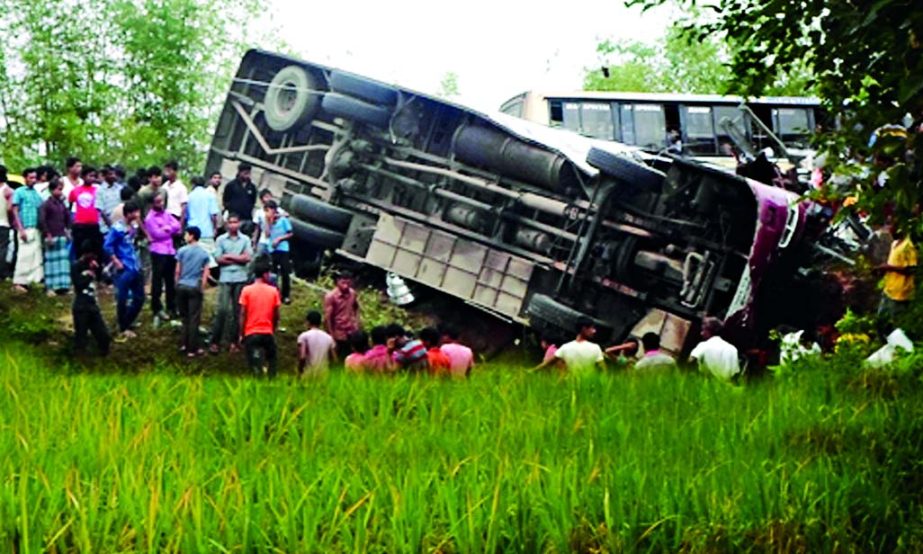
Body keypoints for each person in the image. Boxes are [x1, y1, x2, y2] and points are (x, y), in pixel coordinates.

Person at [209, 213, 253, 354]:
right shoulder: (221, 239)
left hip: (240, 278)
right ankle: (215, 341)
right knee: (222, 310)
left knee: (237, 311)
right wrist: (237, 259)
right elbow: (218, 258)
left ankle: (234, 342)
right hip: (225, 278)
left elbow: (248, 257)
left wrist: (229, 256)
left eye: (235, 222)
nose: (233, 225)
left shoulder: (245, 239)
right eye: (230, 222)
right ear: (227, 224)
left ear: (239, 223)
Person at [104, 201, 145, 341]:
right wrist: (116, 261)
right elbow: (107, 246)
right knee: (122, 297)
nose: (138, 215)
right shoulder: (117, 229)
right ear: (128, 214)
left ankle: (127, 321)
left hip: (135, 264)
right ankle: (123, 327)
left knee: (139, 297)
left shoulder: (133, 227)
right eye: (136, 212)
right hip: (124, 267)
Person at [239, 258, 282, 377]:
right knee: (272, 361)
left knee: (254, 365)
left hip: (251, 332)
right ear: (264, 274)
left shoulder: (246, 290)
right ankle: (271, 382)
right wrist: (273, 328)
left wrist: (241, 333)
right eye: (268, 273)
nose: (270, 276)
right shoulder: (273, 291)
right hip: (267, 331)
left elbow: (243, 314)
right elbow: (276, 314)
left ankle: (256, 384)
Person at [175, 226, 211, 357]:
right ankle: (192, 349)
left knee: (184, 317)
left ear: (191, 236)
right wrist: (202, 287)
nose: (185, 237)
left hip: (182, 285)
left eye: (186, 234)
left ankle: (183, 344)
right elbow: (206, 272)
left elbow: (178, 270)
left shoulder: (181, 251)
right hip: (194, 286)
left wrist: (177, 283)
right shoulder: (203, 254)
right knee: (194, 318)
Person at [144, 193, 181, 322]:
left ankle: (172, 306)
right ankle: (157, 307)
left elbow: (177, 226)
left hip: (170, 251)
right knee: (157, 281)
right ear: (152, 203)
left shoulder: (166, 213)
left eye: (162, 201)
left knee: (170, 281)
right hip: (158, 251)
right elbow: (157, 234)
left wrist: (167, 228)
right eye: (157, 202)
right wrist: (168, 230)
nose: (160, 204)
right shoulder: (149, 218)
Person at [876, 223, 917, 331]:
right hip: (889, 289)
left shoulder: (908, 246)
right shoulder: (894, 243)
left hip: (900, 293)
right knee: (880, 321)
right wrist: (883, 270)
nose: (890, 232)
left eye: (892, 230)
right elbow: (893, 263)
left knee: (897, 326)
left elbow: (912, 269)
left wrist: (890, 268)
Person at [71, 243, 110, 356]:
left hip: (93, 306)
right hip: (81, 307)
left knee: (104, 336)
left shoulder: (95, 266)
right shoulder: (76, 266)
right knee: (81, 338)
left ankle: (102, 360)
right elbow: (78, 284)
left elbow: (106, 279)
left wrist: (96, 270)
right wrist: (89, 275)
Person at [534, 317, 606, 375]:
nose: (594, 331)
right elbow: (604, 371)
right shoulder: (595, 348)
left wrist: (531, 371)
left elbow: (546, 364)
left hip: (569, 385)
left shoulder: (565, 347)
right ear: (584, 329)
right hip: (587, 386)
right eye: (592, 328)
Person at [11, 168, 44, 292]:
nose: (33, 180)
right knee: (24, 255)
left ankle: (32, 281)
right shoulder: (19, 191)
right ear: (25, 178)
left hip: (35, 228)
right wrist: (20, 229)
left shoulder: (36, 194)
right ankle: (18, 282)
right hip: (24, 228)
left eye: (35, 178)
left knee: (35, 256)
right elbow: (15, 210)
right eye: (31, 178)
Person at [39, 179, 72, 295]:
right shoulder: (46, 204)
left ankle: (62, 286)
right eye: (59, 189)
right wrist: (47, 234)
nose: (61, 192)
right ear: (52, 190)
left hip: (61, 235)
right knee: (51, 262)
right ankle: (50, 287)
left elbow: (67, 217)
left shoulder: (62, 204)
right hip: (51, 236)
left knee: (62, 262)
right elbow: (42, 220)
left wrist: (67, 230)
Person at [261, 200, 293, 303]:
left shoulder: (283, 220)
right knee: (273, 272)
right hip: (273, 249)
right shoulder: (268, 222)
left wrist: (279, 239)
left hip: (283, 249)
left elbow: (290, 233)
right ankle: (273, 293)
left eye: (269, 210)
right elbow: (267, 234)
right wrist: (268, 221)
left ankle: (286, 295)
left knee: (285, 272)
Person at [69, 166, 102, 259]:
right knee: (80, 250)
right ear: (83, 177)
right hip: (80, 224)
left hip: (94, 224)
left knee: (96, 251)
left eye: (94, 176)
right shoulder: (75, 191)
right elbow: (70, 207)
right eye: (90, 176)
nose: (92, 178)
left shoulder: (97, 190)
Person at [324, 272, 361, 356]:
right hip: (338, 333)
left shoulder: (352, 293)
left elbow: (356, 307)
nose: (346, 286)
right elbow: (328, 318)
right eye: (343, 283)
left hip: (351, 331)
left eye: (348, 283)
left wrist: (356, 322)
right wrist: (331, 336)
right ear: (338, 282)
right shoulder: (331, 296)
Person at [186, 176, 220, 266]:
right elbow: (214, 215)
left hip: (192, 232)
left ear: (193, 184)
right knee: (208, 259)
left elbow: (186, 215)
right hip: (206, 231)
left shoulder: (189, 196)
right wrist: (215, 228)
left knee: (192, 258)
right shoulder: (210, 196)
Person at [297, 310, 337, 376]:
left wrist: (300, 371)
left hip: (308, 373)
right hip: (324, 374)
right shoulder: (329, 338)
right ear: (320, 322)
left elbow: (302, 357)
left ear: (308, 322)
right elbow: (334, 359)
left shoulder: (304, 336)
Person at [222, 163, 257, 233]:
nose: (247, 175)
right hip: (233, 218)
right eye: (245, 173)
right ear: (240, 172)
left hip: (246, 219)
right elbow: (225, 200)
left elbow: (253, 201)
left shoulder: (252, 187)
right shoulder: (231, 185)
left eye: (248, 173)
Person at [253, 189, 288, 254]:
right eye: (266, 197)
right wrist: (254, 242)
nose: (268, 199)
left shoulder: (278, 210)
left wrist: (276, 216)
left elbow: (286, 215)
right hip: (263, 240)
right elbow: (257, 229)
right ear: (262, 199)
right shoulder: (259, 212)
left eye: (270, 196)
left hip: (275, 240)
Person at [95, 165, 124, 234]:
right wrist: (111, 226)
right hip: (106, 227)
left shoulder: (119, 188)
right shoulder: (100, 190)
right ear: (105, 176)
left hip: (120, 224)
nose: (113, 176)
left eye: (114, 174)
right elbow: (101, 210)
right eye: (110, 174)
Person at [0, 168, 14, 280]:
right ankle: (2, 273)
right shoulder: (8, 190)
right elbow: (10, 209)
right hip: (3, 223)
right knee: (2, 249)